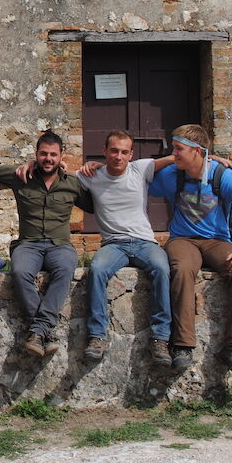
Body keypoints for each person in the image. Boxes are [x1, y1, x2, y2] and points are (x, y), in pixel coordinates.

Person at [148, 124, 232, 376]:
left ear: (198, 151)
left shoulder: (223, 176)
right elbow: (138, 174)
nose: (173, 153)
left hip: (217, 240)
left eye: (178, 149)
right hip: (182, 239)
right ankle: (182, 345)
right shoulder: (172, 174)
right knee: (181, 268)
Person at [0, 131, 93, 358]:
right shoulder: (20, 176)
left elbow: (96, 203)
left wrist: (96, 171)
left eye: (53, 154)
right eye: (43, 154)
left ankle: (37, 331)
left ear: (62, 156)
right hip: (28, 244)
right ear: (36, 154)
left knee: (64, 269)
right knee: (20, 271)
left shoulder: (72, 183)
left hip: (60, 245)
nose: (48, 159)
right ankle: (44, 331)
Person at [76, 130, 172, 366]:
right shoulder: (92, 175)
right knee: (97, 270)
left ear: (131, 154)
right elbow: (54, 173)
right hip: (113, 244)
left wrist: (212, 158)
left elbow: (179, 158)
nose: (118, 156)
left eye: (124, 152)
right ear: (105, 151)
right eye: (114, 151)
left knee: (162, 268)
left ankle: (160, 338)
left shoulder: (140, 169)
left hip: (144, 241)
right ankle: (97, 336)